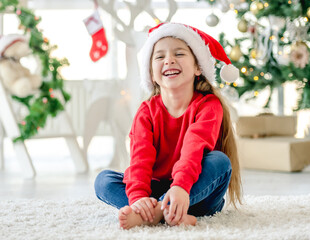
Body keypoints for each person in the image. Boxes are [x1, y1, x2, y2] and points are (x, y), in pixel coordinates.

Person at [94, 22, 242, 230]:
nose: (169, 60)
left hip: (195, 192)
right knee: (104, 180)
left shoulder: (209, 105)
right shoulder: (146, 111)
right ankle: (162, 211)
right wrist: (137, 197)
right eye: (160, 56)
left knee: (220, 162)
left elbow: (194, 147)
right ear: (152, 74)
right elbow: (140, 159)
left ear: (198, 67)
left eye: (179, 54)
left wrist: (180, 187)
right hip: (156, 187)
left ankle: (155, 213)